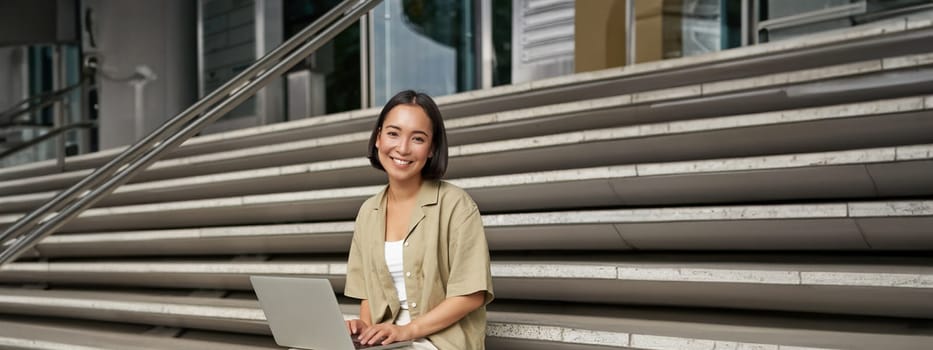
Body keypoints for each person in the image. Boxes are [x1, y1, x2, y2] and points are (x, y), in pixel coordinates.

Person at [344, 90, 494, 350]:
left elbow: (472, 294)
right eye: (393, 133)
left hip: (438, 341)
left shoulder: (456, 205)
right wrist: (364, 329)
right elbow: (368, 294)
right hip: (388, 342)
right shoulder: (368, 212)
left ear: (432, 148)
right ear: (378, 138)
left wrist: (406, 331)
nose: (402, 148)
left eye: (418, 138)